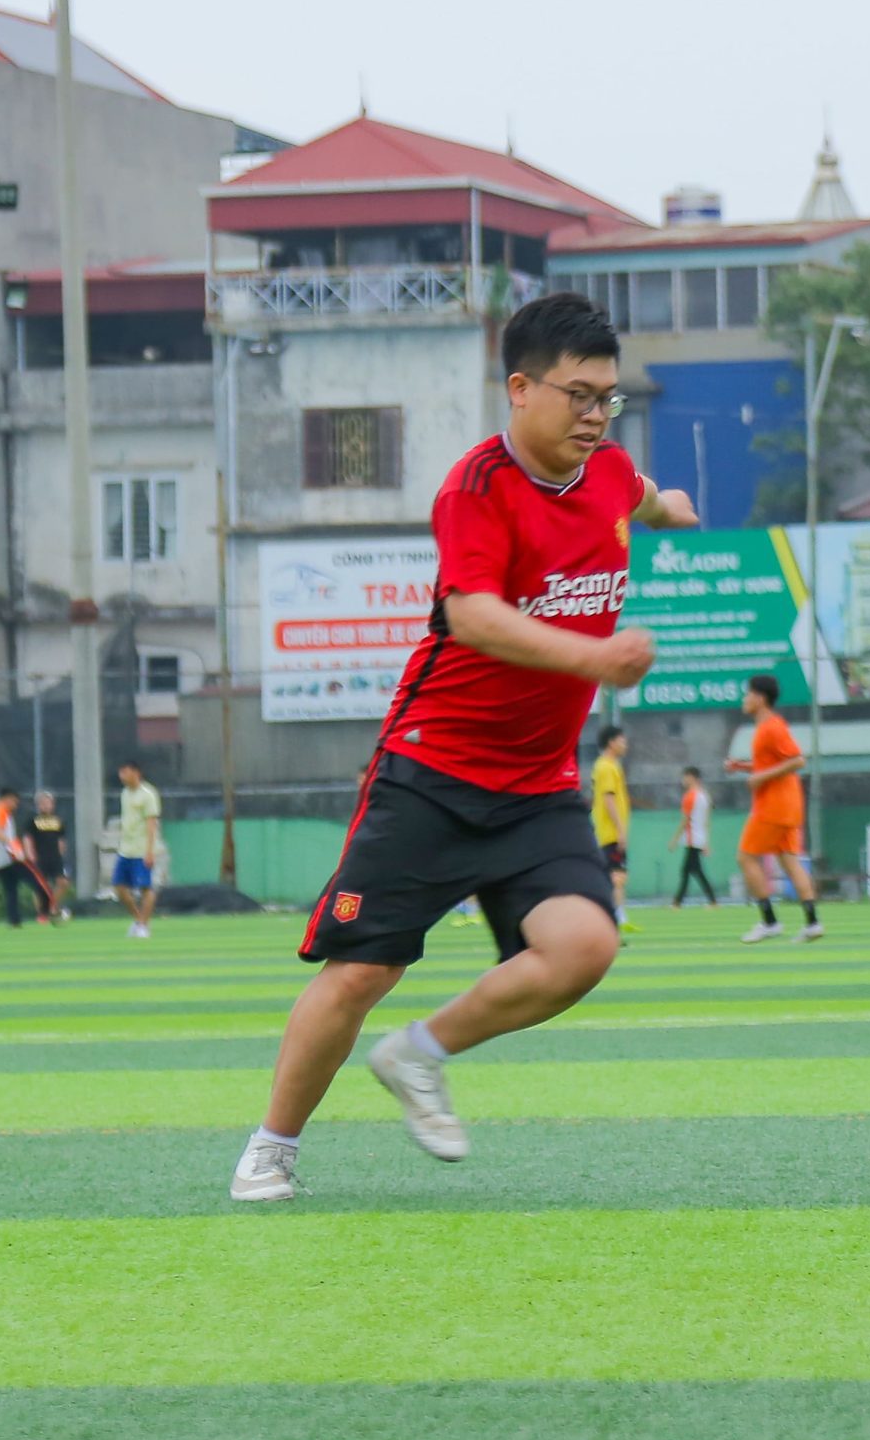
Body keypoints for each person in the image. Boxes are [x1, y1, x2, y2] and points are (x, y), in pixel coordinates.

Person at [229, 290, 698, 1202]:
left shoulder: (607, 471)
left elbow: (643, 497)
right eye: (578, 395)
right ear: (520, 389)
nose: (595, 416)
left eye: (607, 398)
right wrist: (598, 657)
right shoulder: (475, 487)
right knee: (365, 967)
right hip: (432, 772)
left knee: (584, 946)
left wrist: (672, 508)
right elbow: (473, 615)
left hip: (537, 787)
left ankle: (419, 1053)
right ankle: (271, 1148)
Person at [729, 674, 822, 945]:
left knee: (745, 858)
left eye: (748, 694)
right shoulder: (766, 728)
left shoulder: (772, 727)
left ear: (760, 698)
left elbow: (797, 760)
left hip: (773, 806)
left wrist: (760, 777)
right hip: (788, 806)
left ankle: (769, 922)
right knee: (790, 861)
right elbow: (774, 763)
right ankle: (813, 923)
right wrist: (744, 767)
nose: (745, 700)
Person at [590, 725, 638, 933]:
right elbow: (608, 799)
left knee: (616, 876)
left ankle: (618, 918)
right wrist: (620, 830)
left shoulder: (605, 765)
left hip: (606, 832)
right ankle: (615, 920)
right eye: (622, 740)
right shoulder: (607, 767)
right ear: (611, 742)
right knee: (616, 877)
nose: (625, 744)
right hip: (610, 833)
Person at [113, 761, 163, 939]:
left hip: (142, 850)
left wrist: (150, 851)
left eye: (125, 772)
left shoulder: (148, 794)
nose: (122, 776)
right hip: (125, 849)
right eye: (121, 772)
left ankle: (143, 926)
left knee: (145, 888)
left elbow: (151, 824)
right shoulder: (125, 793)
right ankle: (138, 920)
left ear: (136, 773)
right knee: (119, 887)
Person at [19, 790, 71, 922]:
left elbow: (61, 839)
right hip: (39, 858)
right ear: (38, 805)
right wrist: (29, 853)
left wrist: (61, 853)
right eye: (42, 803)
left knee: (63, 883)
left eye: (48, 803)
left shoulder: (58, 821)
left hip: (55, 858)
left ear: (53, 804)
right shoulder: (33, 821)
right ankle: (42, 914)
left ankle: (51, 905)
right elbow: (27, 838)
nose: (45, 805)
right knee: (41, 887)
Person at [671, 765, 717, 908]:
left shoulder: (690, 796)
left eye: (685, 777)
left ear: (691, 777)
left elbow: (685, 820)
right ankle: (679, 902)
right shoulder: (705, 795)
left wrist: (674, 840)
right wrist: (706, 842)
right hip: (700, 838)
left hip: (692, 839)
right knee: (692, 870)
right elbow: (707, 820)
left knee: (690, 871)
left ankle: (679, 902)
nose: (683, 780)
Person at [0, 789, 35, 929]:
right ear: (7, 798)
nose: (16, 805)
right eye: (14, 801)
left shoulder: (3, 812)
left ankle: (14, 919)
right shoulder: (0, 810)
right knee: (34, 880)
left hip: (4, 858)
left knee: (11, 888)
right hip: (6, 858)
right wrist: (14, 848)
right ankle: (47, 909)